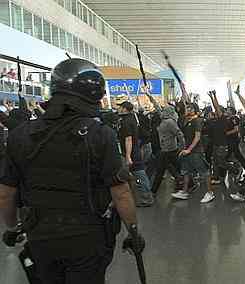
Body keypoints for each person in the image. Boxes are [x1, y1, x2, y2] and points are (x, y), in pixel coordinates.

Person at [0, 58, 144, 284]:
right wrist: (133, 231)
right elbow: (121, 192)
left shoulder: (21, 135)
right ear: (95, 93)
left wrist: (13, 227)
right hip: (88, 237)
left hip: (40, 235)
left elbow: (6, 193)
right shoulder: (100, 134)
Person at [172, 87, 215, 204]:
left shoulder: (198, 121)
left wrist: (189, 150)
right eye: (187, 108)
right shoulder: (187, 120)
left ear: (195, 110)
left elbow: (197, 137)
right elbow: (186, 102)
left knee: (204, 172)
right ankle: (185, 191)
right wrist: (182, 89)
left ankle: (210, 192)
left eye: (190, 108)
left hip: (196, 151)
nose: (187, 109)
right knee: (186, 171)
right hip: (187, 151)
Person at [118, 101, 155, 207]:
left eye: (120, 107)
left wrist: (128, 156)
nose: (119, 109)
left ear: (125, 109)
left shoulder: (127, 121)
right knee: (135, 175)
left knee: (139, 175)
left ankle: (146, 198)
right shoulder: (132, 118)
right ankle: (139, 196)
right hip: (134, 151)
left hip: (132, 153)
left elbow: (128, 139)